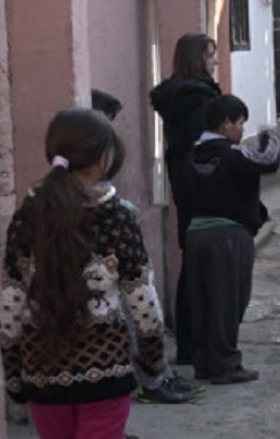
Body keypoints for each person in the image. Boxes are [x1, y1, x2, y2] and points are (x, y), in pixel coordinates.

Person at [0, 108, 165, 438]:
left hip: (41, 376)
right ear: (104, 157)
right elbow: (144, 304)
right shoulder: (118, 216)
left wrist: (15, 379)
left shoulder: (27, 216)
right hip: (106, 377)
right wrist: (153, 363)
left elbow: (10, 308)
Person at [90, 89, 200, 403]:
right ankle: (152, 380)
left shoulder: (40, 209)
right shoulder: (112, 213)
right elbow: (144, 303)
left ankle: (154, 376)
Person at [185, 95, 280, 384]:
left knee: (201, 300)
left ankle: (203, 361)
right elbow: (269, 162)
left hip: (195, 234)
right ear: (226, 124)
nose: (241, 131)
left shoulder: (191, 155)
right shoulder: (233, 154)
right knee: (228, 301)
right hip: (229, 235)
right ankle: (225, 363)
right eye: (240, 124)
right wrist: (271, 137)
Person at [150, 33, 222, 365]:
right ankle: (202, 344)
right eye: (210, 55)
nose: (215, 61)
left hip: (180, 181)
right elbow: (204, 145)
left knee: (191, 262)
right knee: (205, 266)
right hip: (202, 185)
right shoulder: (202, 98)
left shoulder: (174, 96)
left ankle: (188, 345)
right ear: (197, 58)